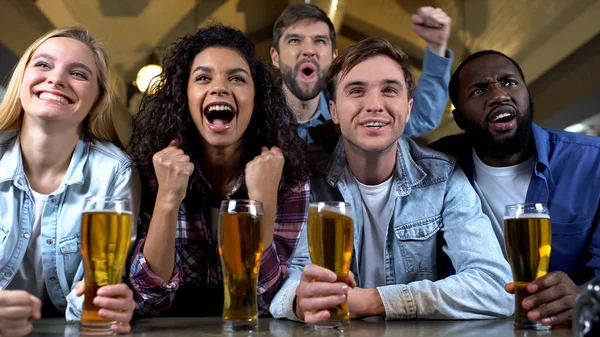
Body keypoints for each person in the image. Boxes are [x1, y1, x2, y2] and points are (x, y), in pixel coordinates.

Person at [269, 37, 513, 322]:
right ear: (334, 111)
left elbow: (496, 286)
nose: (374, 104)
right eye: (357, 90)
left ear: (408, 109)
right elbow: (287, 276)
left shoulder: (443, 177)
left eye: (389, 89)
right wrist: (299, 301)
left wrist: (373, 301)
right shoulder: (304, 175)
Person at [128, 25, 310, 317]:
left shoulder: (286, 179)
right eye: (203, 78)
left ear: (257, 97)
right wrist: (168, 197)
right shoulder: (151, 173)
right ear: (184, 97)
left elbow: (265, 298)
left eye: (237, 78)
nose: (219, 87)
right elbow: (149, 298)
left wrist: (262, 200)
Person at [430, 50, 600, 326]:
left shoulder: (591, 162)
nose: (498, 95)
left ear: (527, 94)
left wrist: (585, 295)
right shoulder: (436, 165)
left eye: (509, 82)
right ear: (459, 119)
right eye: (479, 90)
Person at [0, 27, 139, 336]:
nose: (57, 79)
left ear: (96, 98)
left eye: (78, 73)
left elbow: (100, 290)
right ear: (22, 78)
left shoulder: (115, 173)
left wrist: (108, 303)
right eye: (43, 64)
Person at [270, 4, 453, 142]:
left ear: (334, 56)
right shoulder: (253, 117)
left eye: (319, 41)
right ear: (275, 57)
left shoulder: (356, 112)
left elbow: (421, 116)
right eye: (294, 40)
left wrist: (436, 47)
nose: (309, 50)